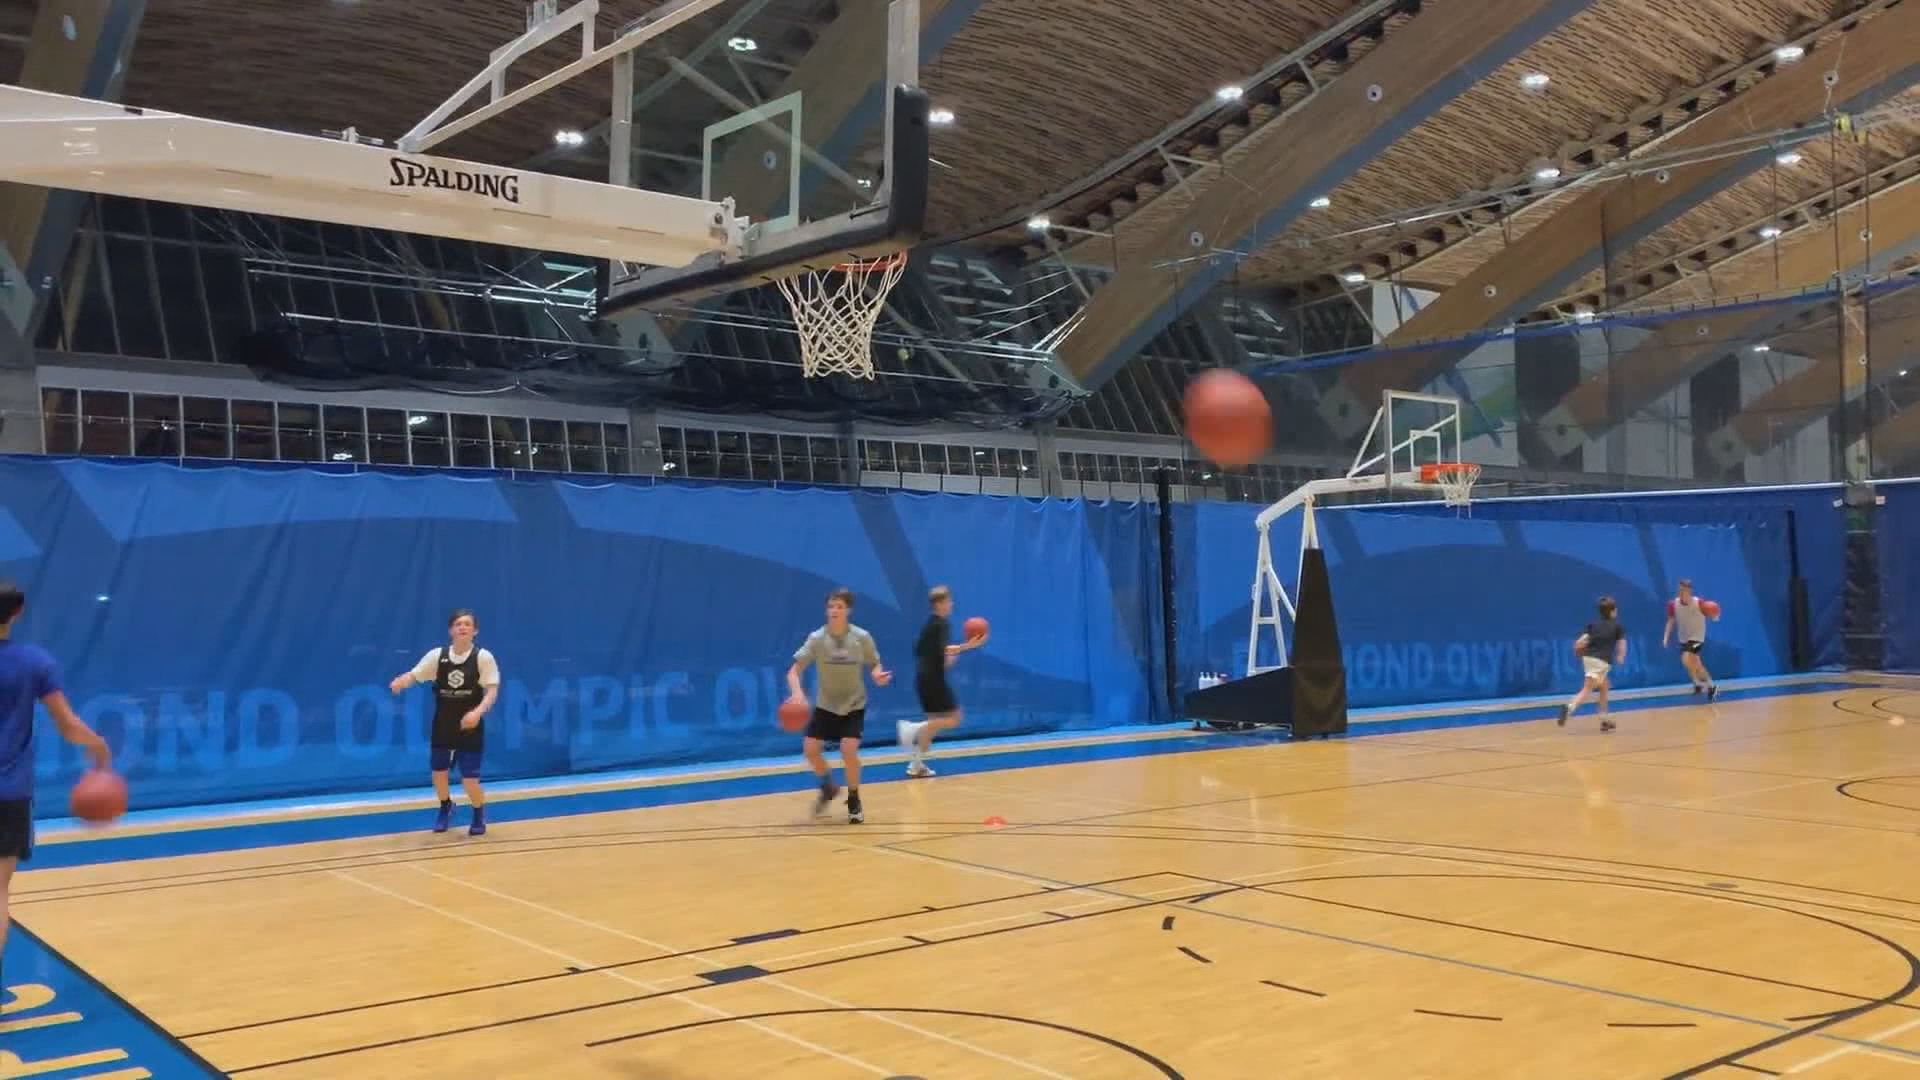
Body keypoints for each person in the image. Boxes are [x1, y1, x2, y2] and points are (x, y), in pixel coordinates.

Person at [0, 582, 112, 990]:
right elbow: (67, 725)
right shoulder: (35, 663)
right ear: (17, 613)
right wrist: (97, 746)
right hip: (8, 793)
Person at [390, 609, 499, 836]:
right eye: (458, 624)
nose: (463, 627)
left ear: (475, 631)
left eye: (467, 624)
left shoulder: (483, 658)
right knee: (438, 775)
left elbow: (491, 691)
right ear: (451, 630)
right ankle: (446, 805)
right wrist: (401, 681)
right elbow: (415, 675)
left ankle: (478, 812)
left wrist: (477, 713)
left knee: (469, 781)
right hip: (443, 726)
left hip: (470, 728)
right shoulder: (437, 656)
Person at [786, 588, 890, 824]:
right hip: (826, 704)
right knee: (810, 750)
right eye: (831, 606)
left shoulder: (861, 637)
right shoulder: (817, 638)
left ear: (848, 610)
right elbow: (793, 672)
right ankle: (828, 787)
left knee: (848, 750)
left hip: (853, 704)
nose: (834, 610)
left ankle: (854, 798)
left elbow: (874, 663)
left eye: (839, 607)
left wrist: (877, 675)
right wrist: (797, 694)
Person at [896, 585, 987, 777]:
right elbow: (945, 651)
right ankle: (911, 728)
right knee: (955, 718)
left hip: (923, 680)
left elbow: (926, 653)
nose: (951, 604)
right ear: (939, 604)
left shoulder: (929, 626)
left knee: (932, 725)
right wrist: (969, 646)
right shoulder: (942, 624)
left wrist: (948, 658)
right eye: (948, 601)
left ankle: (916, 765)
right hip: (933, 681)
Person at [1560, 596, 1627, 732]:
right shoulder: (1617, 627)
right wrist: (1621, 656)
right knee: (1587, 688)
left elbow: (1579, 643)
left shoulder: (1592, 626)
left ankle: (1604, 719)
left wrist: (1577, 651)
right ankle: (1569, 707)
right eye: (1615, 609)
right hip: (1601, 662)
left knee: (1604, 685)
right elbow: (1622, 644)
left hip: (1588, 659)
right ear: (1613, 612)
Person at [1662, 578, 1718, 702]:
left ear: (1690, 591)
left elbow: (1711, 613)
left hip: (1697, 637)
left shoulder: (1699, 603)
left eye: (1686, 590)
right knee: (1692, 663)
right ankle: (1702, 684)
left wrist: (1714, 615)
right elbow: (1670, 621)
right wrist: (1665, 637)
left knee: (1687, 658)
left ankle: (1709, 685)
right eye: (1681, 590)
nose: (1683, 592)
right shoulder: (1673, 604)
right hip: (1684, 637)